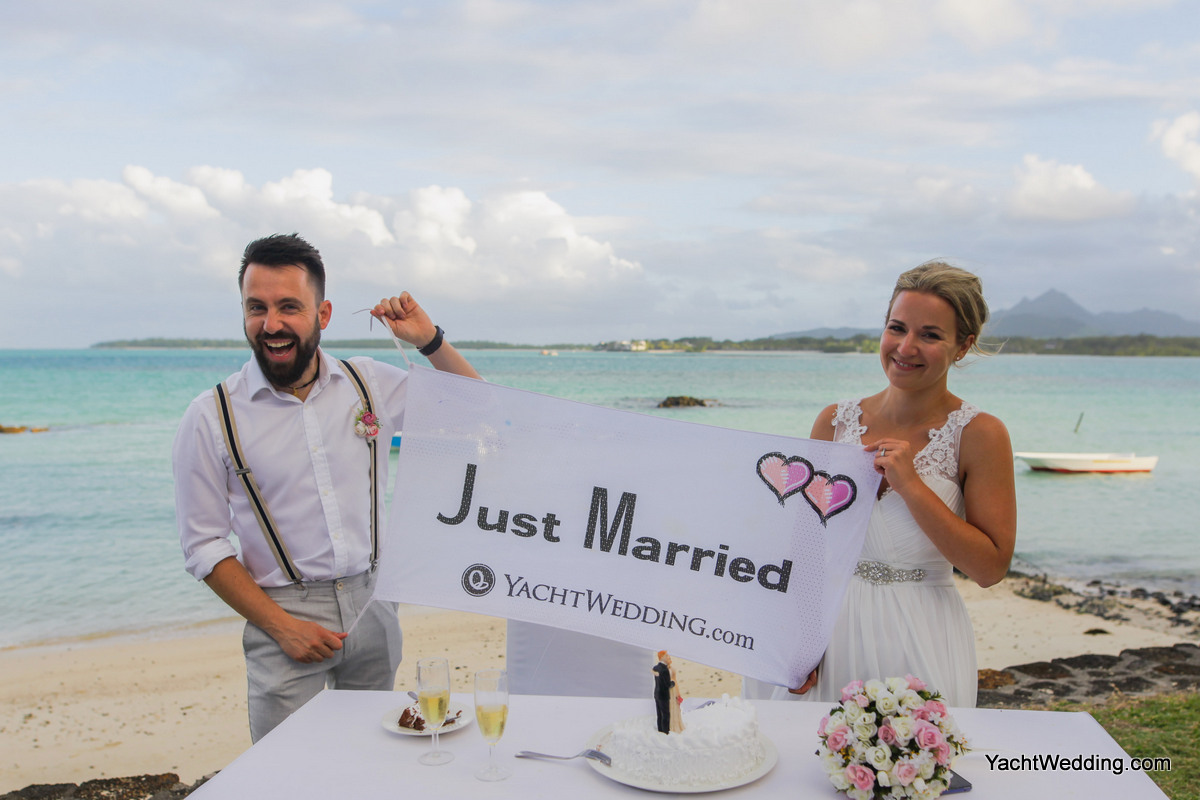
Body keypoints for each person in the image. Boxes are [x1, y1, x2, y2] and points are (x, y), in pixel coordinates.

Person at [173, 233, 481, 741]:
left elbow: (478, 410)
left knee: (373, 754)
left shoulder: (369, 383)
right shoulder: (211, 416)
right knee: (285, 768)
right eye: (256, 307)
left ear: (324, 313)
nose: (271, 324)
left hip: (374, 602)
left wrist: (429, 340)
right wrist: (281, 626)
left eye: (289, 307)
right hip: (282, 613)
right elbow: (203, 545)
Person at [745, 261, 1016, 707]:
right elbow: (804, 548)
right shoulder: (834, 421)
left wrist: (912, 487)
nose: (906, 347)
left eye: (930, 335)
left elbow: (989, 569)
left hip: (923, 635)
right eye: (897, 328)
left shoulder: (981, 434)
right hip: (829, 631)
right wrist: (796, 637)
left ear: (963, 345)